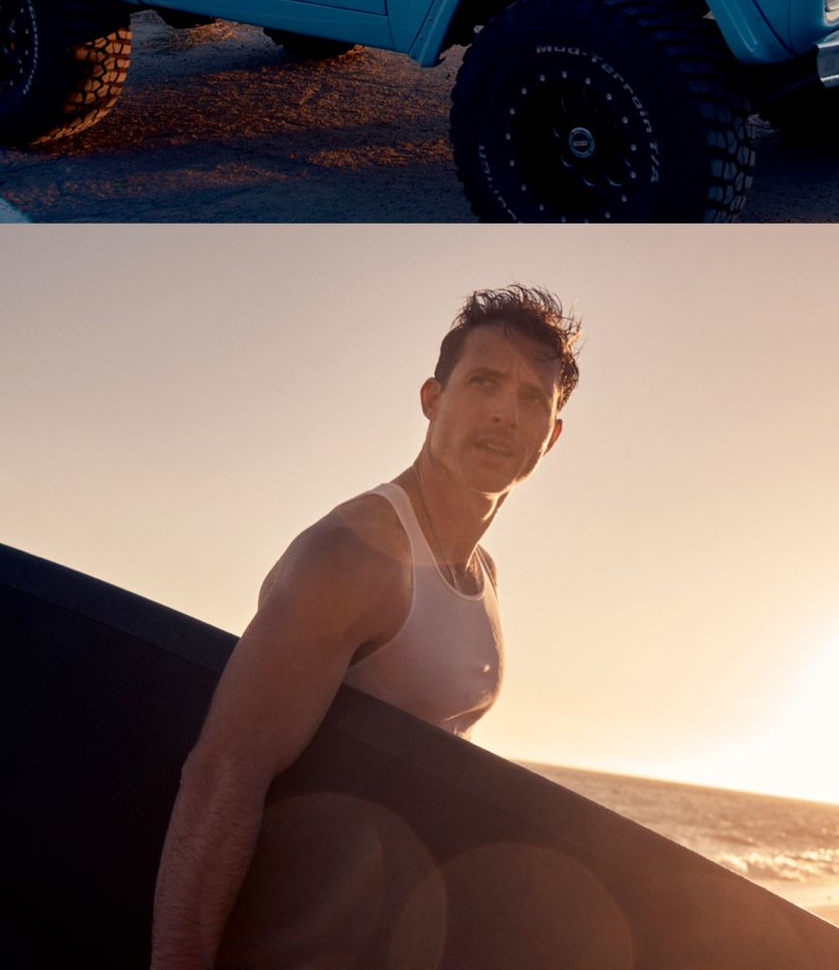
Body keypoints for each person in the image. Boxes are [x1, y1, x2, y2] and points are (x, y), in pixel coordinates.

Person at [150, 284, 581, 970]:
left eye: (533, 399)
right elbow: (221, 778)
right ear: (432, 400)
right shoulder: (358, 551)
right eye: (485, 382)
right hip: (293, 929)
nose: (505, 411)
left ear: (551, 436)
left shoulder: (483, 573)